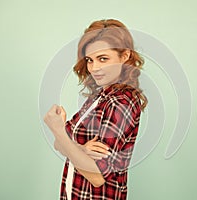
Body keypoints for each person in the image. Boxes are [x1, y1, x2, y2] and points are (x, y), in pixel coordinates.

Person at [44, 19, 148, 200]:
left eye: (103, 59)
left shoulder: (120, 103)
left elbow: (97, 176)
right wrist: (81, 149)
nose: (94, 68)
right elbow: (59, 145)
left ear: (124, 56)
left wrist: (58, 130)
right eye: (90, 60)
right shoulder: (99, 97)